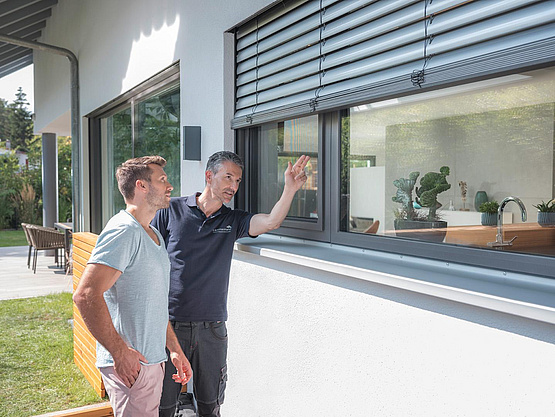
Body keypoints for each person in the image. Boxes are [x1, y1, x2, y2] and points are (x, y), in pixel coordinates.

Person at [153, 151, 309, 417]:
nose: (233, 187)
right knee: (163, 407)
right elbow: (150, 257)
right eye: (228, 178)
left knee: (210, 408)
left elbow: (271, 222)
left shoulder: (233, 220)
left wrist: (290, 189)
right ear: (208, 176)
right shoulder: (171, 210)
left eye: (237, 181)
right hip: (170, 325)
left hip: (212, 329)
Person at [73, 156, 193, 417]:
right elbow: (85, 295)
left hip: (152, 360)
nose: (170, 185)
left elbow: (155, 304)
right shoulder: (123, 231)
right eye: (162, 180)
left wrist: (174, 349)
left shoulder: (153, 234)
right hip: (132, 366)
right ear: (142, 186)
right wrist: (120, 353)